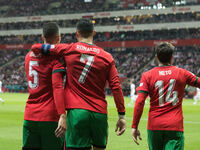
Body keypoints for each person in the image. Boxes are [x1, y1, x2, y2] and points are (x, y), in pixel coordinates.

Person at [31, 19, 126, 150]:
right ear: (94, 33)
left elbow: (36, 48)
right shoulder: (107, 57)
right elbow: (116, 87)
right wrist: (121, 115)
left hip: (77, 112)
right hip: (99, 113)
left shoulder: (69, 49)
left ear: (76, 34)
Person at [131, 42, 200, 150]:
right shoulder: (182, 73)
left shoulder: (147, 75)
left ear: (156, 57)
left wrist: (134, 126)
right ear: (172, 57)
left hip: (154, 126)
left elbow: (140, 102)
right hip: (174, 126)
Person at [23, 22, 67, 150]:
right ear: (58, 38)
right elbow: (57, 87)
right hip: (50, 117)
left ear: (43, 37)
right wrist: (62, 115)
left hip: (29, 116)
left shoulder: (27, 57)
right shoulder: (56, 60)